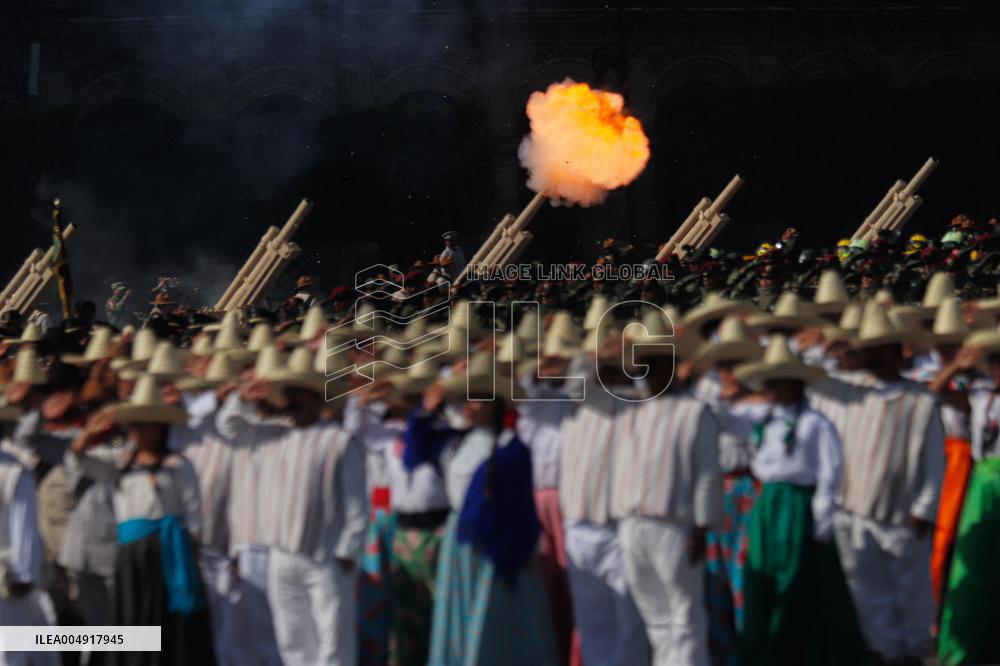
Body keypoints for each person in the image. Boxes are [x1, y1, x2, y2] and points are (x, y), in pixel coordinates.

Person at [810, 302, 944, 663]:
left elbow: (934, 459)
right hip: (854, 508)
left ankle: (914, 649)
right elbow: (811, 381)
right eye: (869, 349)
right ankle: (883, 649)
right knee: (866, 587)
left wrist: (925, 508)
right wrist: (828, 350)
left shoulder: (921, 399)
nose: (874, 356)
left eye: (881, 350)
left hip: (904, 510)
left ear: (895, 353)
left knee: (911, 588)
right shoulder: (851, 391)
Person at [408, 352, 558, 666]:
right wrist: (426, 411)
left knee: (495, 614)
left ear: (493, 404)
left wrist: (517, 547)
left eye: (475, 399)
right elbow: (415, 452)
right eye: (465, 398)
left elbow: (520, 506)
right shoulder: (454, 442)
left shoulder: (510, 448)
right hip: (459, 538)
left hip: (494, 541)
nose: (467, 405)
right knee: (460, 612)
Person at [734, 336, 867, 665]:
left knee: (794, 578)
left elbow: (829, 473)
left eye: (778, 382)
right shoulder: (761, 419)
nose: (771, 389)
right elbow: (725, 420)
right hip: (767, 505)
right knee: (762, 575)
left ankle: (794, 649)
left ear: (794, 384)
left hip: (796, 507)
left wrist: (821, 522)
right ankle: (763, 648)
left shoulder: (815, 424)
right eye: (768, 383)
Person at [67, 374, 214, 665]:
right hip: (131, 554)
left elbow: (194, 516)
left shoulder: (177, 465)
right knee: (132, 618)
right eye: (135, 425)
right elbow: (78, 461)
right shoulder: (119, 462)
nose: (139, 432)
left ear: (159, 428)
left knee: (165, 621)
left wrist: (192, 554)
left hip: (165, 552)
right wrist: (89, 432)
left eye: (145, 425)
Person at [611, 337, 723, 666]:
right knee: (656, 619)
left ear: (672, 368)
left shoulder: (694, 412)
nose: (648, 373)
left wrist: (701, 526)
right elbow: (581, 387)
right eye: (644, 366)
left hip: (674, 525)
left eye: (656, 365)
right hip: (631, 524)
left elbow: (708, 473)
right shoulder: (630, 410)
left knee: (684, 615)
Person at [253, 349, 368, 666]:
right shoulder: (273, 436)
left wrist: (347, 550)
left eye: (300, 393)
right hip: (281, 553)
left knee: (333, 638)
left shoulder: (338, 440)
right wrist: (245, 398)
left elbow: (357, 503)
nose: (292, 400)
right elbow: (230, 427)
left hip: (325, 554)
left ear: (317, 398)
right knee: (292, 638)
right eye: (289, 393)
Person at [558, 329, 649, 666]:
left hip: (620, 527)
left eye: (613, 366)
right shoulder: (576, 404)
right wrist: (591, 357)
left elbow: (651, 390)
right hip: (578, 525)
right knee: (591, 618)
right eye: (602, 366)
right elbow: (571, 384)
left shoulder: (638, 404)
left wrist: (627, 356)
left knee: (630, 620)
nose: (605, 372)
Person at [936, 333, 1000, 666]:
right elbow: (931, 394)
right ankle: (962, 647)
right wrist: (955, 367)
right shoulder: (980, 395)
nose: (999, 369)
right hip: (981, 481)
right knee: (970, 563)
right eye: (996, 362)